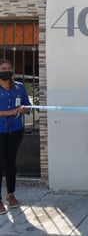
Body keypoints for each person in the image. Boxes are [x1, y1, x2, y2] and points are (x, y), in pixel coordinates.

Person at [0, 59, 31, 215]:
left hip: (15, 130)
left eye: (8, 68)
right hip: (0, 130)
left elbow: (27, 105)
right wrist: (10, 113)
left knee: (11, 163)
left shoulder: (19, 87)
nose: (6, 70)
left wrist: (25, 109)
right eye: (3, 68)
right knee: (0, 163)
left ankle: (11, 194)